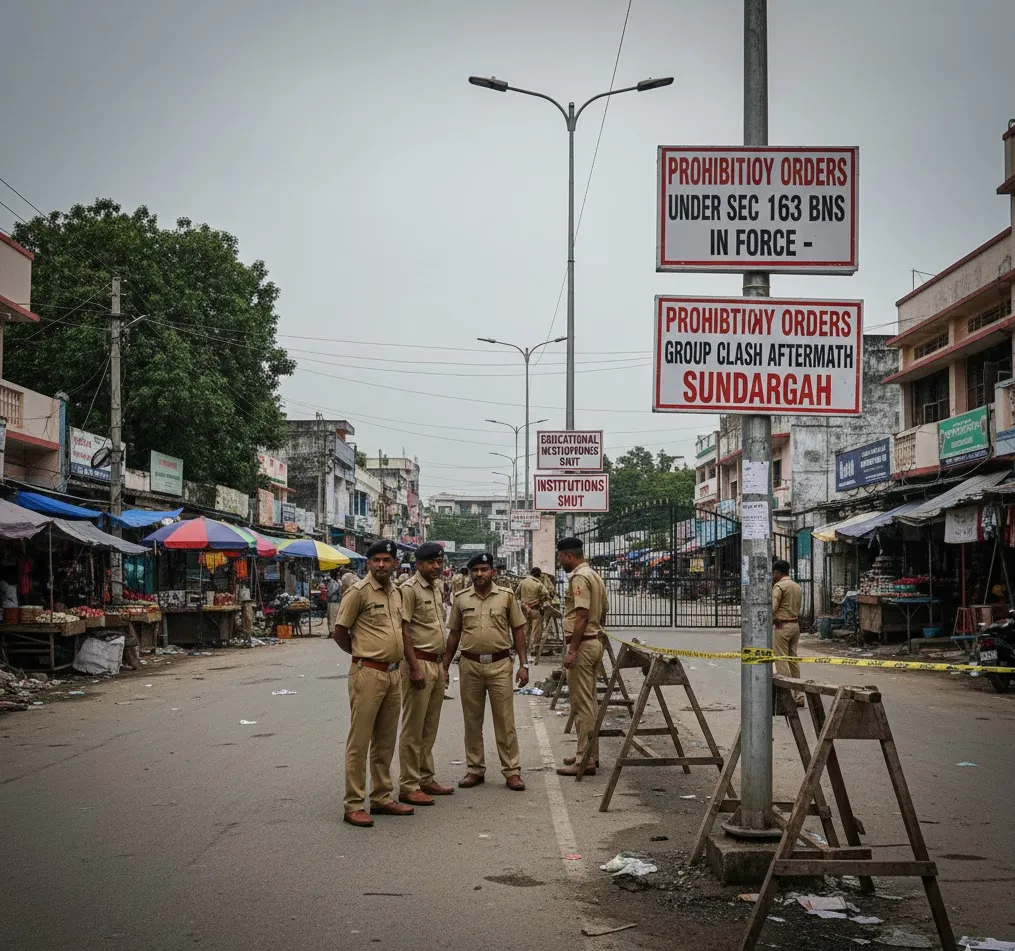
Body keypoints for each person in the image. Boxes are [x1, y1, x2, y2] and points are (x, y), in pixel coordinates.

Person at [333, 540, 412, 828]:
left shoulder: (397, 593)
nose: (381, 564)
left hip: (393, 674)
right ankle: (354, 803)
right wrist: (362, 656)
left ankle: (381, 797)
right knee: (360, 740)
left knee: (385, 739)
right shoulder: (358, 593)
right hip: (368, 673)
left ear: (394, 564)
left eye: (386, 560)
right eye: (376, 560)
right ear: (368, 563)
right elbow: (340, 632)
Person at [443, 552, 528, 791]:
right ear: (470, 573)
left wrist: (524, 664)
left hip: (500, 665)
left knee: (505, 720)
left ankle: (512, 770)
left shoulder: (506, 597)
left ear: (493, 572)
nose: (479, 574)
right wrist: (445, 666)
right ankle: (475, 769)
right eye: (475, 570)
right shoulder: (461, 599)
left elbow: (518, 630)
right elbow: (454, 634)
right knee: (472, 721)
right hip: (469, 666)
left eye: (484, 569)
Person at [397, 541, 454, 806]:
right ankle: (409, 784)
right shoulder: (409, 589)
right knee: (413, 727)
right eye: (431, 562)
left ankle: (425, 777)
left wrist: (443, 666)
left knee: (429, 726)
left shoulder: (437, 586)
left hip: (436, 663)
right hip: (417, 662)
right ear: (418, 564)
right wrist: (414, 667)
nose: (436, 567)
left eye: (439, 562)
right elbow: (404, 630)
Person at [555, 538, 609, 777]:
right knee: (590, 701)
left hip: (584, 644)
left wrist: (573, 649)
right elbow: (604, 609)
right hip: (594, 641)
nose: (560, 562)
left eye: (561, 557)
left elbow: (582, 615)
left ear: (568, 556)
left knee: (582, 704)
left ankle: (583, 760)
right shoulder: (594, 575)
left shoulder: (579, 577)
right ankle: (587, 754)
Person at [772, 559, 804, 707]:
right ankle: (799, 694)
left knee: (781, 659)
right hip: (795, 625)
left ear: (778, 572)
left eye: (774, 572)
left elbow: (773, 607)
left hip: (782, 626)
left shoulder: (779, 586)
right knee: (793, 659)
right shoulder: (797, 586)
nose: (773, 575)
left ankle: (787, 695)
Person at [517, 567, 549, 656]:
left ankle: (524, 648)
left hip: (524, 609)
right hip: (535, 609)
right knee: (536, 629)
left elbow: (516, 595)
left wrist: (524, 603)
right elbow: (546, 594)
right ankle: (535, 648)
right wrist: (539, 600)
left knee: (526, 629)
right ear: (538, 575)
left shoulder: (522, 582)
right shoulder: (538, 584)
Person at [325, 568, 343, 639]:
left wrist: (326, 592)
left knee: (332, 617)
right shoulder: (339, 582)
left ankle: (332, 632)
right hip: (337, 602)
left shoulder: (333, 582)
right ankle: (333, 632)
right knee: (334, 617)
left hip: (333, 602)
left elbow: (330, 593)